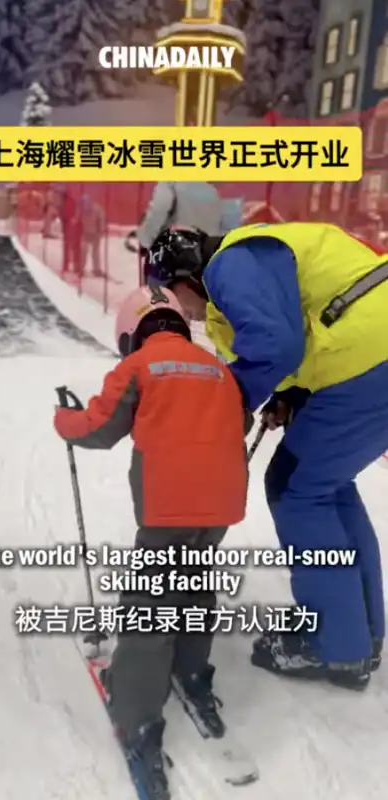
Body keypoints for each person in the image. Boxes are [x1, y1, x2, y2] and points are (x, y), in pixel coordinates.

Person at [144, 223, 388, 691]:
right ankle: (360, 633)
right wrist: (288, 394)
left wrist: (228, 401)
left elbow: (276, 344)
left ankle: (334, 645)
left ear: (184, 272)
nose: (177, 307)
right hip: (371, 353)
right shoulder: (247, 262)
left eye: (166, 289)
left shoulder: (229, 263)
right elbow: (296, 328)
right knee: (326, 486)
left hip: (368, 357)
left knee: (297, 491)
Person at [53, 284, 248, 798]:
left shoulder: (140, 367)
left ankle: (137, 714)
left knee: (151, 604)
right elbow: (241, 420)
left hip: (170, 506)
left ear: (131, 331)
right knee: (195, 581)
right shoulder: (218, 368)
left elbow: (98, 426)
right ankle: (190, 668)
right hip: (222, 504)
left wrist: (63, 419)